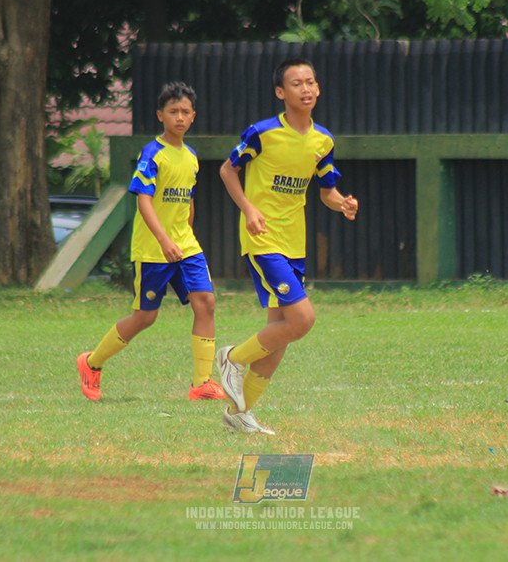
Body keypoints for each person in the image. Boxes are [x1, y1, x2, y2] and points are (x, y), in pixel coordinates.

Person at [216, 58, 359, 435]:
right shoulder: (261, 133)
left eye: (311, 82)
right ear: (281, 93)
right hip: (264, 239)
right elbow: (227, 170)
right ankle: (231, 358)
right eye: (296, 84)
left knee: (279, 332)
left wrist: (342, 202)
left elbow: (326, 190)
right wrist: (248, 209)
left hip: (295, 243)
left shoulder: (323, 140)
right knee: (302, 320)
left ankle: (238, 412)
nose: (306, 89)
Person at [76, 82, 226, 402]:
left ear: (193, 116)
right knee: (145, 316)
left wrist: (186, 234)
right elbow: (144, 202)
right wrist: (164, 239)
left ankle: (202, 383)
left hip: (186, 246)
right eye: (173, 112)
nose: (180, 117)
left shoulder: (191, 157)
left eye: (186, 112)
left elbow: (187, 200)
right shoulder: (152, 153)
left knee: (206, 303)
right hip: (154, 250)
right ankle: (91, 363)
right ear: (161, 115)